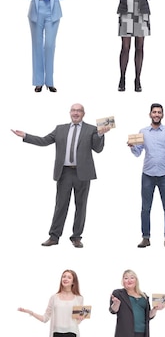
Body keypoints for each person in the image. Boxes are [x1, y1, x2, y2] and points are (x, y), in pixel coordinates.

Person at [11, 104, 109, 248]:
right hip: (64, 172)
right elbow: (44, 141)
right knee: (61, 205)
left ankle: (76, 237)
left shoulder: (92, 129)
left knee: (81, 206)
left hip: (83, 173)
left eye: (79, 111)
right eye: (73, 110)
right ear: (70, 113)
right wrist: (26, 136)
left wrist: (100, 134)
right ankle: (54, 236)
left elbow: (98, 149)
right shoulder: (60, 129)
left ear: (84, 113)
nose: (76, 113)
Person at [97, 0, 165, 92]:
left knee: (140, 47)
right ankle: (122, 78)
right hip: (126, 14)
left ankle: (137, 79)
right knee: (125, 47)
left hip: (141, 14)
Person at [21, 0, 78, 92]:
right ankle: (39, 81)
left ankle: (49, 81)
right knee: (37, 46)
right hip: (36, 11)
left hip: (52, 12)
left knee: (50, 46)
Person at [130, 103, 165, 249]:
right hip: (147, 174)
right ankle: (145, 238)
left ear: (162, 115)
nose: (156, 114)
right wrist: (132, 147)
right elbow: (137, 152)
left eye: (159, 112)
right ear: (150, 114)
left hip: (164, 174)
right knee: (145, 209)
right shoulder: (143, 131)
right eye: (154, 112)